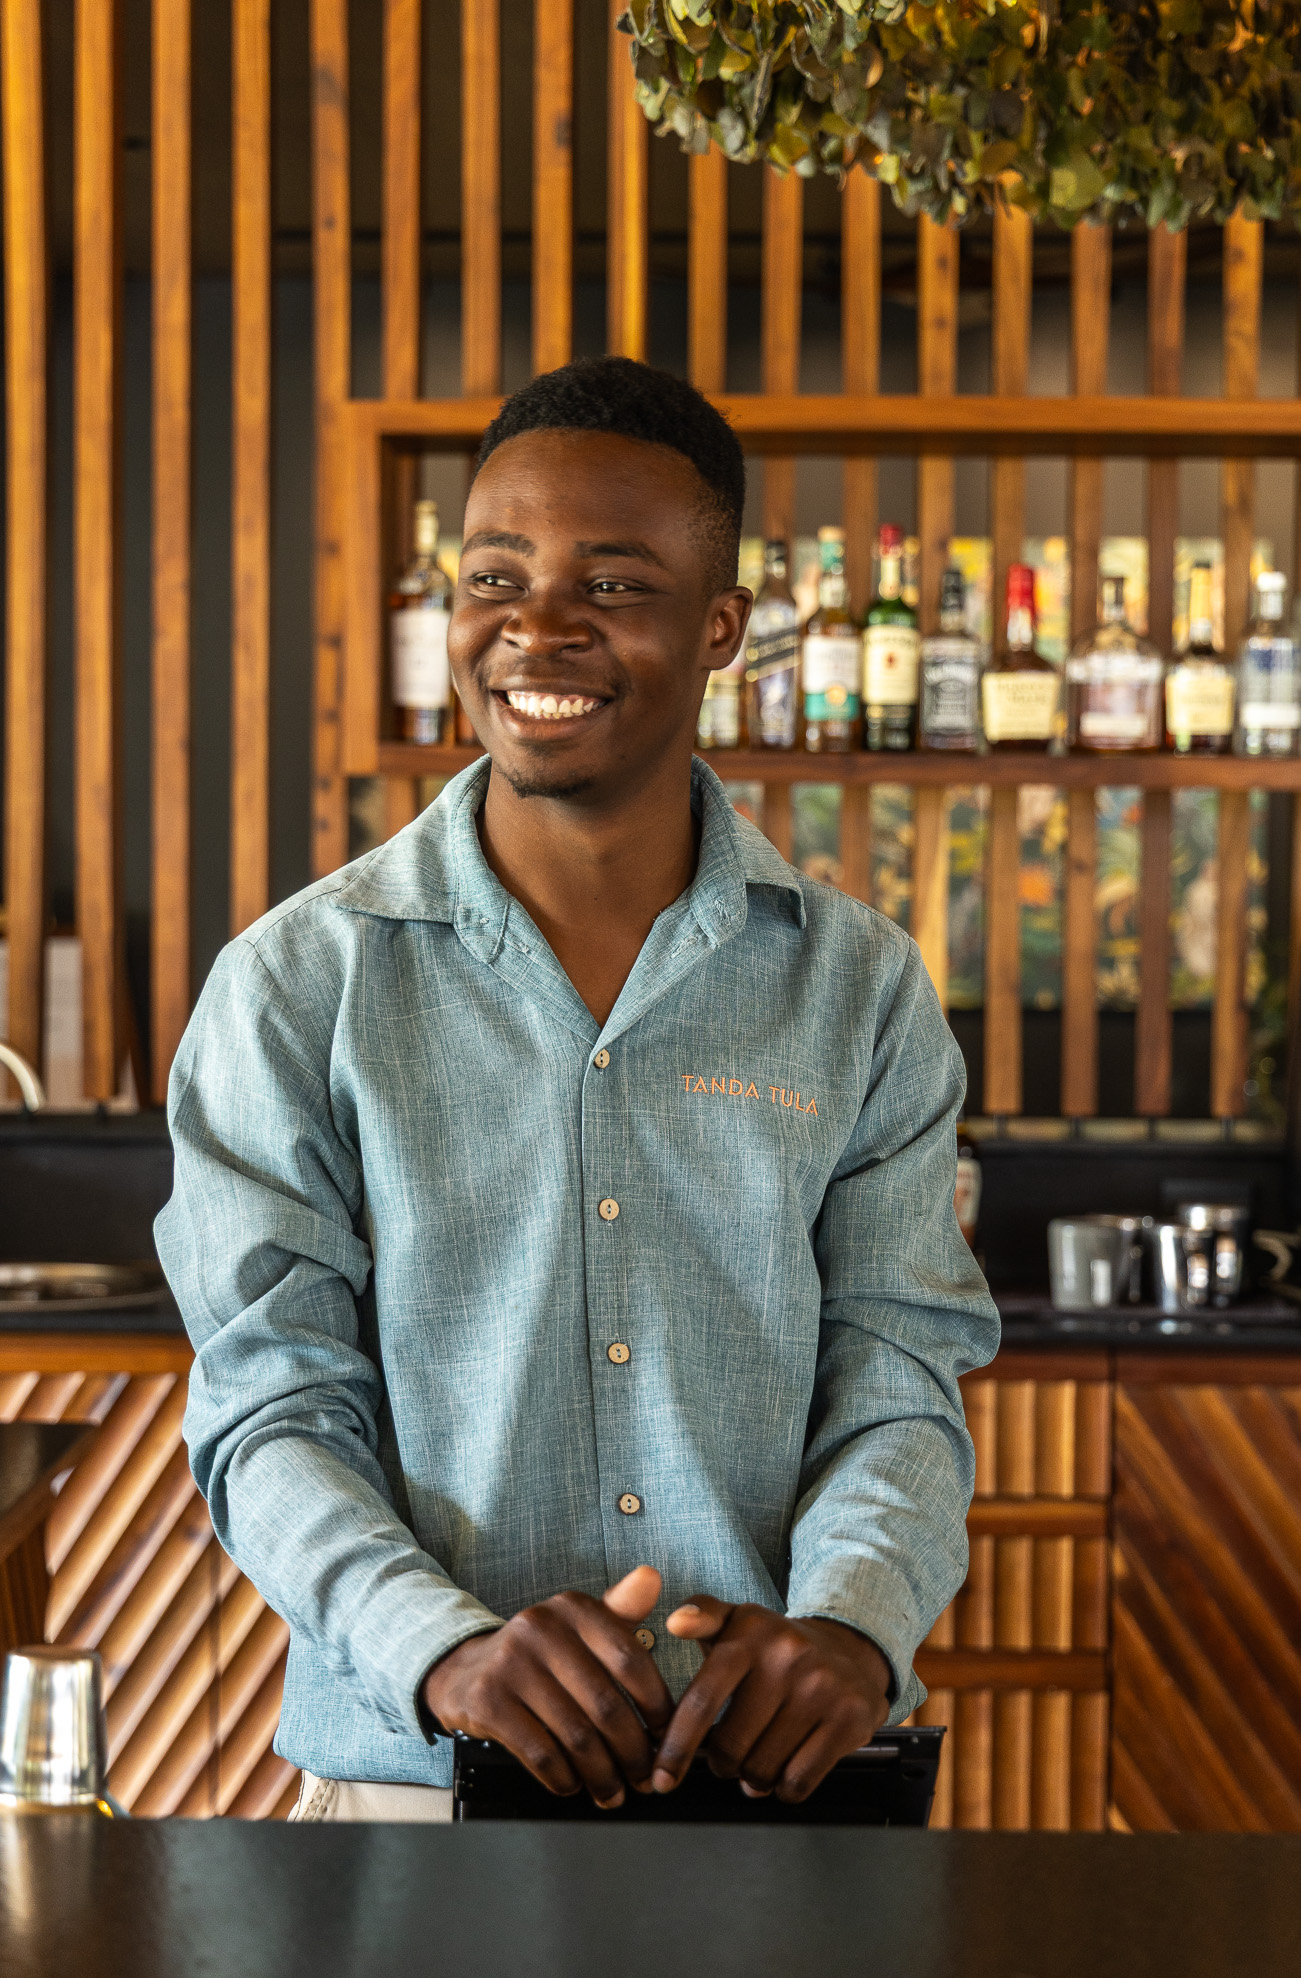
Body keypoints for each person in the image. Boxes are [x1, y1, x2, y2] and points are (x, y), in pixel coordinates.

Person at [158, 356, 1001, 1823]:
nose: (535, 626)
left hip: (779, 1785)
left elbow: (897, 1377)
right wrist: (446, 1651)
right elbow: (267, 1407)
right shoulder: (298, 984)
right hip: (425, 1795)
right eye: (494, 574)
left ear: (720, 626)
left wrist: (854, 1624)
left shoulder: (857, 988)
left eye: (611, 585)